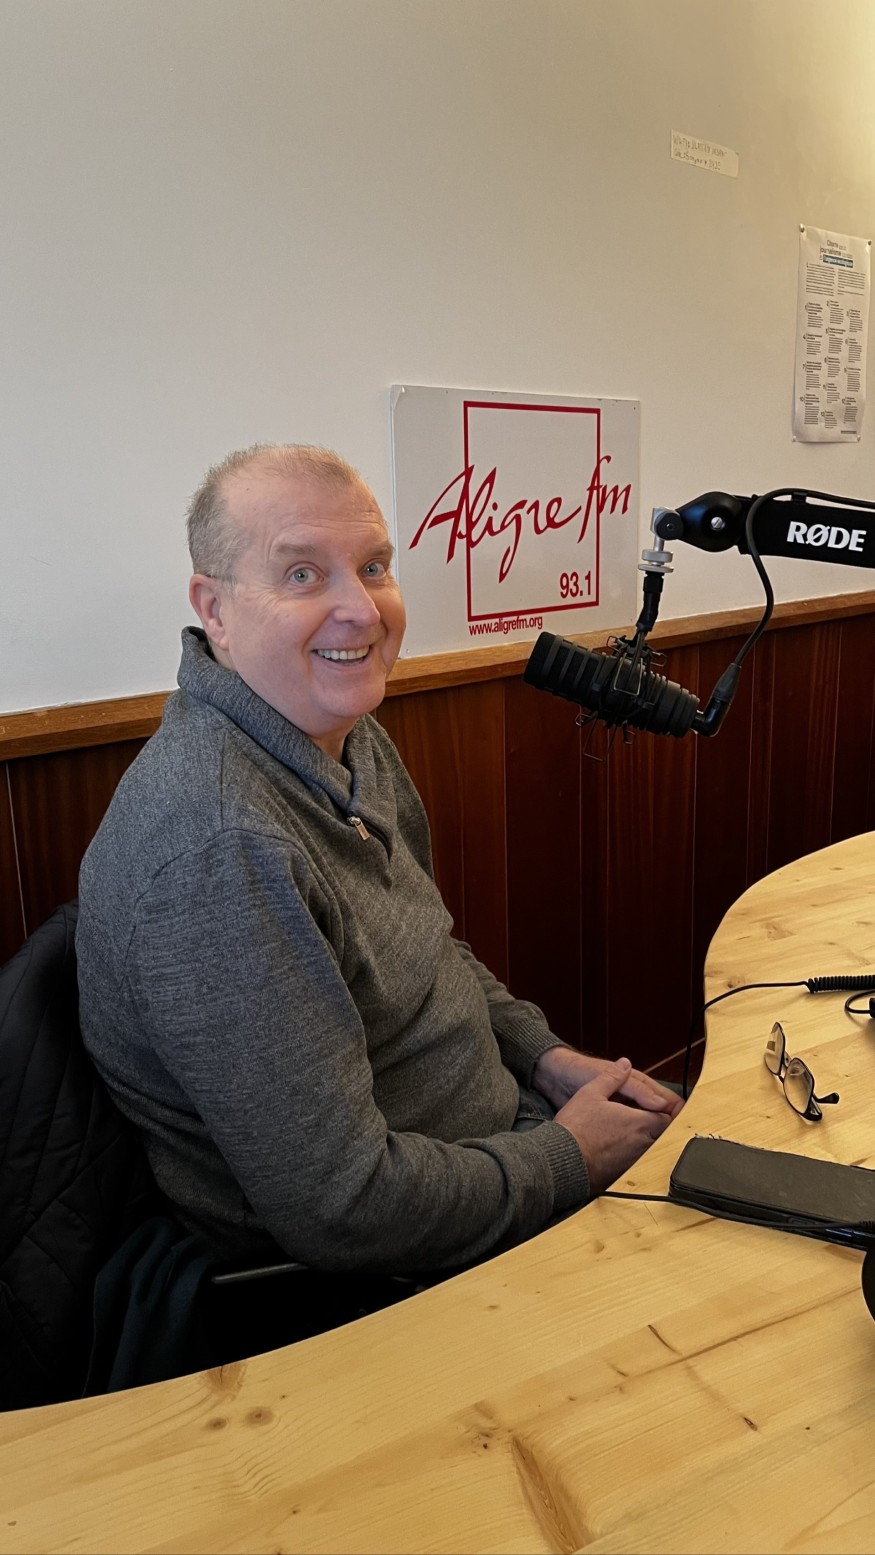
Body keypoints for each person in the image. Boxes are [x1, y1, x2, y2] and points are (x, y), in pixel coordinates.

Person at [77, 444, 681, 1283]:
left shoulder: (339, 730)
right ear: (214, 609)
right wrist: (568, 1155)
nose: (360, 610)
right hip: (377, 1279)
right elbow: (345, 1209)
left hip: (499, 1147)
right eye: (301, 574)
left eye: (372, 566)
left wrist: (542, 1055)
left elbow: (429, 948)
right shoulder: (221, 851)